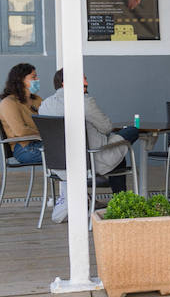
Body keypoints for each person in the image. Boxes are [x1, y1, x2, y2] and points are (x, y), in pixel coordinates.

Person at [38, 71, 140, 223]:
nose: (86, 83)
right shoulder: (84, 101)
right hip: (91, 160)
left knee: (118, 152)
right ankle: (121, 201)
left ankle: (118, 201)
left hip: (59, 165)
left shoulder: (44, 105)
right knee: (131, 132)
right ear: (65, 83)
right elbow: (106, 127)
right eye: (82, 80)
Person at [0, 62, 42, 166]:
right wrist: (45, 134)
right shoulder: (8, 103)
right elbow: (21, 131)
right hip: (23, 148)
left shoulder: (37, 100)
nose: (37, 80)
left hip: (41, 142)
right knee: (67, 153)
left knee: (70, 150)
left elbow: (49, 121)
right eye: (33, 77)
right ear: (20, 80)